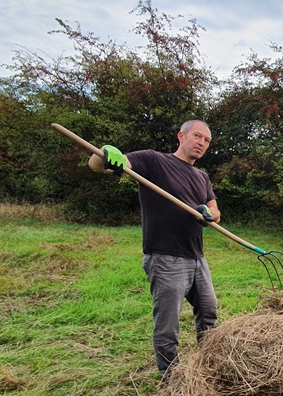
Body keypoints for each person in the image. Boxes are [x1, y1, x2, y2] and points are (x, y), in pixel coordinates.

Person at [89, 120, 220, 379]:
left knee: (209, 313)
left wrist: (210, 214)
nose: (202, 143)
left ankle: (212, 365)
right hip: (165, 256)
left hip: (197, 257)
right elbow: (99, 164)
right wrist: (104, 154)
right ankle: (171, 378)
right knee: (168, 325)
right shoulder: (154, 161)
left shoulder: (202, 177)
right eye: (197, 136)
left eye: (206, 141)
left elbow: (215, 209)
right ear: (181, 136)